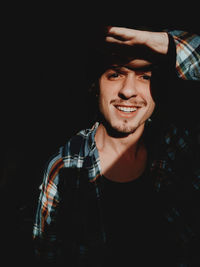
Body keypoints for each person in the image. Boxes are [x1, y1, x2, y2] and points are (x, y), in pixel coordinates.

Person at [32, 25, 200, 267]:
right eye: (115, 74)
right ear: (95, 86)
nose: (128, 91)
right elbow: (45, 255)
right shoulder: (65, 168)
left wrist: (167, 44)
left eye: (145, 76)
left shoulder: (178, 148)